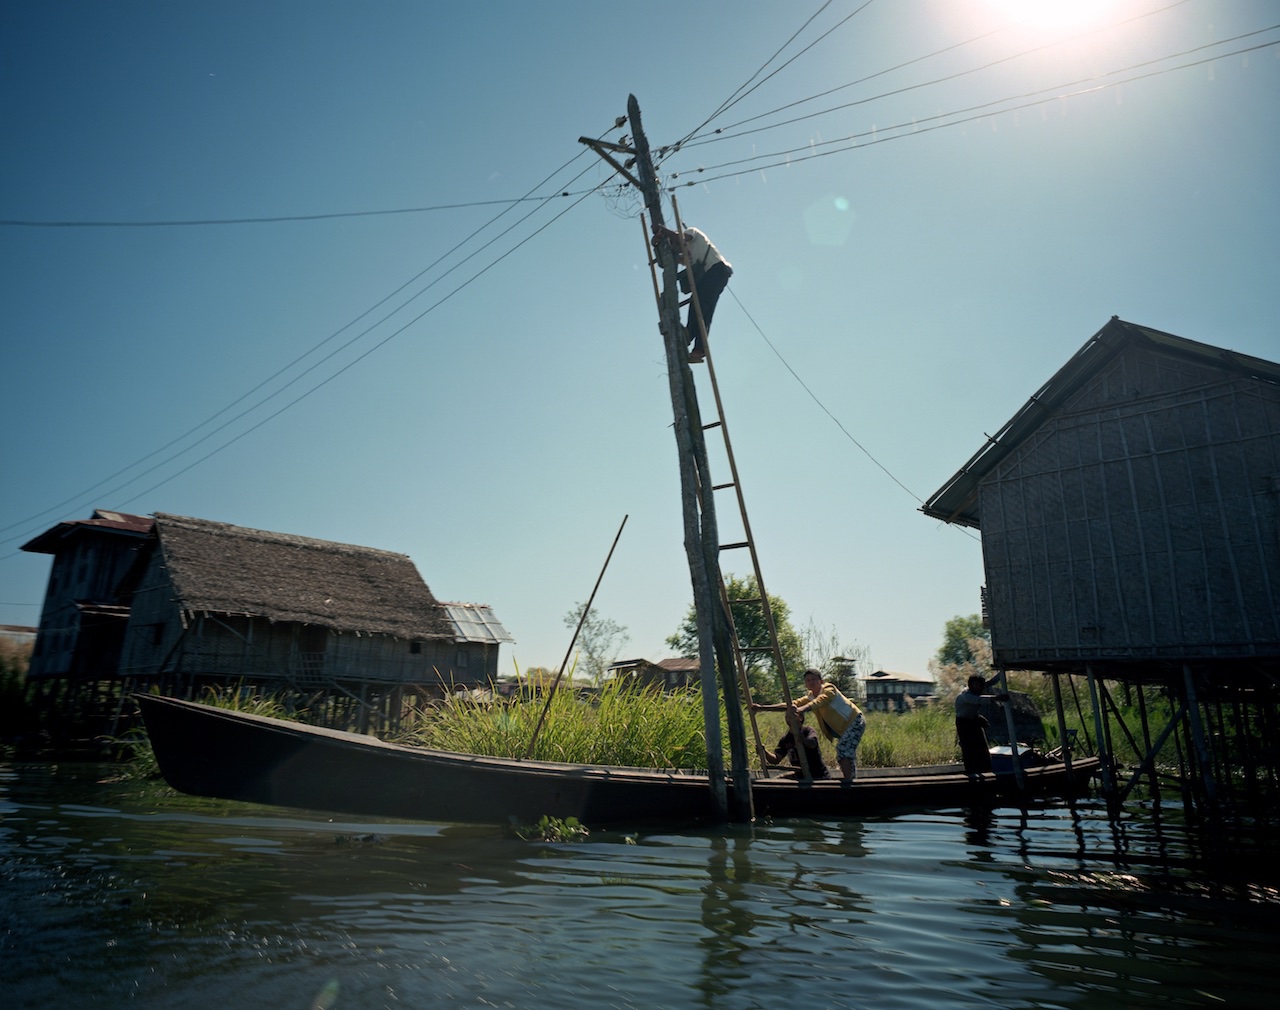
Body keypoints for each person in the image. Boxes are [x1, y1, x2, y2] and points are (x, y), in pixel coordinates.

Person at [754, 668, 866, 782]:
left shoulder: (829, 689)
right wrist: (762, 708)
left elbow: (819, 702)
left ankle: (849, 783)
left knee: (843, 750)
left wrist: (801, 709)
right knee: (845, 753)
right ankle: (851, 779)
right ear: (806, 684)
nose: (810, 682)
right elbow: (791, 705)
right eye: (808, 680)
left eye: (813, 679)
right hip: (842, 728)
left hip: (855, 721)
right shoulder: (809, 697)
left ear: (821, 682)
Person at [651, 223, 732, 363]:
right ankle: (699, 349)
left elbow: (681, 237)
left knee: (697, 304)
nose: (676, 247)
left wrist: (662, 230)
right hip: (718, 274)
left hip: (717, 270)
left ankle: (688, 334)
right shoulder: (688, 254)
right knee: (705, 313)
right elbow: (671, 260)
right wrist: (655, 244)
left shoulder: (691, 232)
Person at [955, 675, 1008, 776]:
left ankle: (986, 770)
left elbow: (992, 682)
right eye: (975, 685)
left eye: (980, 685)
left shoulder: (980, 689)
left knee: (982, 746)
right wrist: (996, 698)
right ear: (970, 685)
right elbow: (977, 700)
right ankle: (971, 772)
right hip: (963, 722)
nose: (978, 687)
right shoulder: (966, 694)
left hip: (974, 719)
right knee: (968, 748)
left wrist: (1003, 671)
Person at [763, 711, 830, 779]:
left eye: (791, 716)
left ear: (800, 718)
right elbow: (776, 760)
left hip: (818, 775)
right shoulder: (786, 739)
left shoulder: (807, 731)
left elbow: (813, 744)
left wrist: (803, 739)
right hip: (800, 775)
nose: (788, 718)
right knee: (777, 781)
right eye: (786, 716)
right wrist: (764, 752)